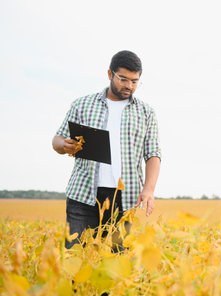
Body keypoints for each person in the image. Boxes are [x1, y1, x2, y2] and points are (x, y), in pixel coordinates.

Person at [52, 50, 161, 249]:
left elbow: (153, 153)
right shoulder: (82, 104)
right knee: (75, 260)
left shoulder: (146, 112)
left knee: (116, 266)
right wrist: (63, 145)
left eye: (135, 81)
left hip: (125, 198)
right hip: (83, 194)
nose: (129, 85)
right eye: (123, 79)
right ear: (110, 74)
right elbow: (57, 139)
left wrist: (149, 189)